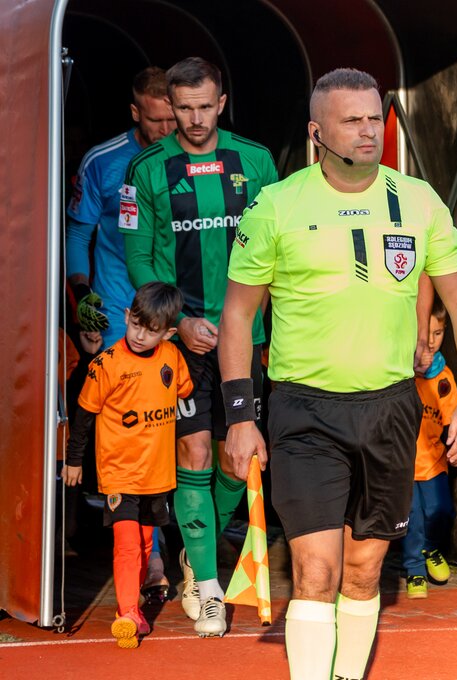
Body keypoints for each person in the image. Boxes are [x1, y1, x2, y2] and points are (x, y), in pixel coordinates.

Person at [218, 68, 457, 680]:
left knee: (365, 572)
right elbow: (236, 315)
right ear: (317, 133)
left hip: (390, 409)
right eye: (352, 121)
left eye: (375, 118)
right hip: (304, 411)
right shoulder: (276, 205)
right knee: (317, 571)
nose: (370, 131)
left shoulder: (419, 200)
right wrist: (240, 416)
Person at [122, 56, 278, 637]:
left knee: (239, 460)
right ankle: (210, 587)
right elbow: (138, 256)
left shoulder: (256, 161)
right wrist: (180, 321)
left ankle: (194, 553)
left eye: (204, 107)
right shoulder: (145, 169)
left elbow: (280, 248)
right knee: (194, 455)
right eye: (183, 108)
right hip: (182, 342)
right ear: (171, 105)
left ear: (222, 103)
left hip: (248, 337)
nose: (193, 119)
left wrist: (270, 327)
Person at [66, 65, 177, 604]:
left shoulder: (196, 160)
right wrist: (81, 298)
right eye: (156, 120)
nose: (167, 129)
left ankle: (172, 541)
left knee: (171, 429)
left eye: (173, 118)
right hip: (118, 314)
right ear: (136, 113)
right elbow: (78, 231)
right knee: (129, 430)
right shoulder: (103, 162)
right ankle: (142, 553)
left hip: (176, 314)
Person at [61, 282, 192, 649]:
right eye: (135, 324)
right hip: (120, 473)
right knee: (127, 543)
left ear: (167, 333)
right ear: (126, 316)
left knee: (146, 541)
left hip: (157, 474)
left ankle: (133, 609)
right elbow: (84, 414)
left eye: (150, 331)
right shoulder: (107, 363)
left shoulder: (172, 357)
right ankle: (128, 612)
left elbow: (184, 390)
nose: (139, 335)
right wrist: (75, 460)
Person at [404, 298, 457, 599]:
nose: (432, 341)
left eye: (439, 333)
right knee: (412, 518)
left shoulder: (445, 378)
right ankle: (414, 570)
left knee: (442, 511)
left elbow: (451, 420)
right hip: (406, 465)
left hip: (435, 462)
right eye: (427, 334)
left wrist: (456, 446)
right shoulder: (402, 374)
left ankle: (430, 549)